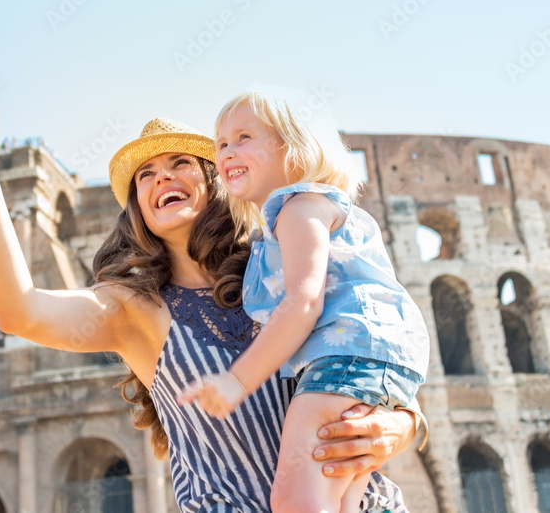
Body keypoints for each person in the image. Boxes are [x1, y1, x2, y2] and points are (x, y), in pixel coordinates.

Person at [0, 52, 425, 511]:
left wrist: (402, 426)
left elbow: (374, 361)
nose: (162, 177)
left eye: (180, 162)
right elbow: (19, 311)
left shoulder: (279, 269)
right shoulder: (130, 309)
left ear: (217, 181)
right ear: (139, 207)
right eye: (146, 174)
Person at [178, 92, 430, 512]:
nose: (228, 151)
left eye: (244, 137)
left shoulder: (298, 209)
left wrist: (236, 381)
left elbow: (303, 302)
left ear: (294, 150)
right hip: (362, 361)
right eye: (221, 143)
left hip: (344, 359)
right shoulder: (288, 221)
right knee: (340, 497)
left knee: (295, 499)